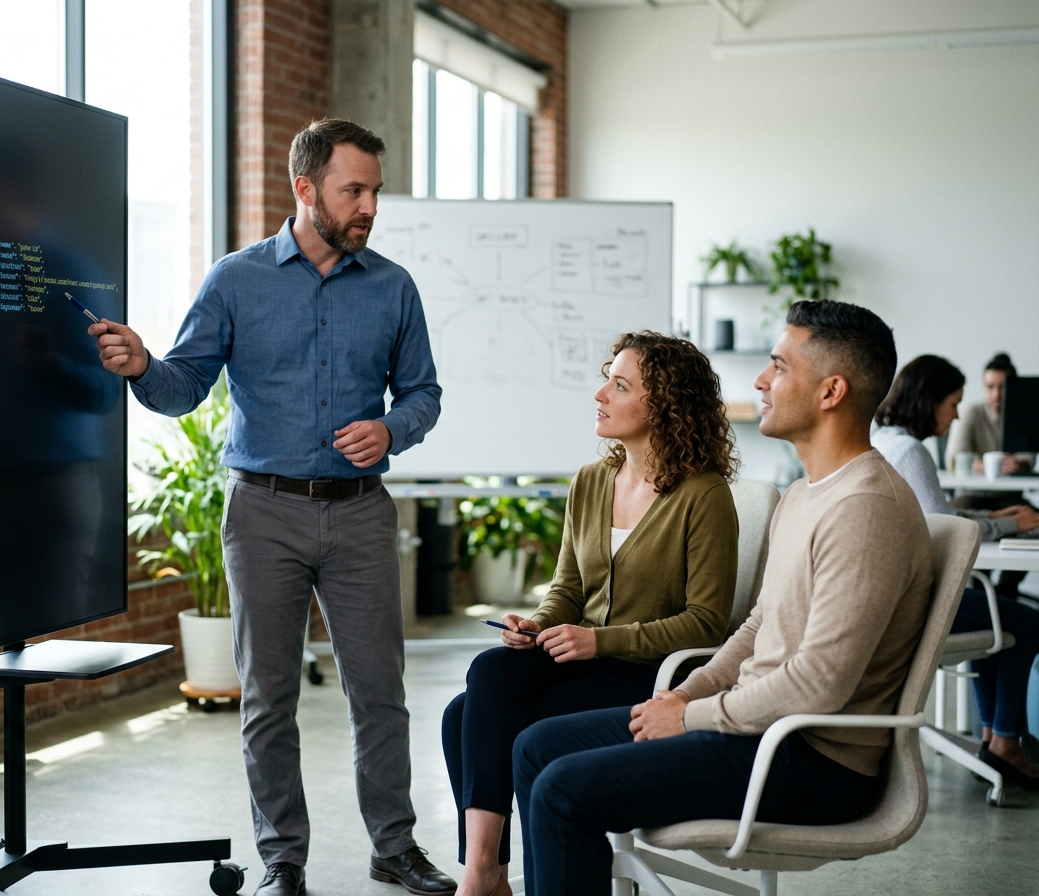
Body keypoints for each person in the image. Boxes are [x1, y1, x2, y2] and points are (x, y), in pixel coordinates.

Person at [89, 119, 455, 896]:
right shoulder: (235, 279)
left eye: (374, 192)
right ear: (304, 188)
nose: (369, 208)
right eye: (353, 190)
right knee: (268, 697)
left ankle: (395, 847)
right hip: (264, 512)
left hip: (359, 513)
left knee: (380, 694)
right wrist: (143, 362)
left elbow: (424, 392)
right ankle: (281, 860)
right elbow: (182, 386)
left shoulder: (393, 287)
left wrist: (392, 426)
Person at [511, 299, 934, 896]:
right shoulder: (805, 494)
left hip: (810, 758)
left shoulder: (864, 508)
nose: (761, 380)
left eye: (779, 366)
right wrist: (686, 692)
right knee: (536, 746)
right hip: (754, 728)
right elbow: (760, 625)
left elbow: (820, 683)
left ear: (830, 391)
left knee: (562, 790)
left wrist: (687, 716)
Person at [443, 332, 740, 896]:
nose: (600, 393)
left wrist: (599, 642)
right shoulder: (591, 480)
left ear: (665, 405)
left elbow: (707, 622)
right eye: (608, 377)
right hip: (582, 662)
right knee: (486, 675)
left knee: (465, 717)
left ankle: (485, 879)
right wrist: (537, 624)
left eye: (620, 385)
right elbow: (567, 589)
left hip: (648, 674)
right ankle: (485, 874)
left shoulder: (704, 496)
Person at [872, 355, 1039, 788]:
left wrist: (995, 514)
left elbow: (937, 514)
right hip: (917, 599)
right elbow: (945, 531)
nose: (957, 413)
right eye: (953, 403)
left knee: (999, 620)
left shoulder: (887, 440)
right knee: (1029, 623)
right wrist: (1010, 523)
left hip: (895, 593)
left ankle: (993, 735)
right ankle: (1005, 741)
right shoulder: (909, 451)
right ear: (928, 401)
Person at [944, 352, 1036, 597]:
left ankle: (1006, 588)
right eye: (990, 387)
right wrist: (989, 464)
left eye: (1002, 387)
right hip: (972, 495)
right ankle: (977, 587)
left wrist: (1017, 463)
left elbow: (1029, 457)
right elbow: (954, 458)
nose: (996, 394)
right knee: (961, 521)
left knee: (1034, 521)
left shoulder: (1023, 413)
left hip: (1009, 497)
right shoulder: (971, 412)